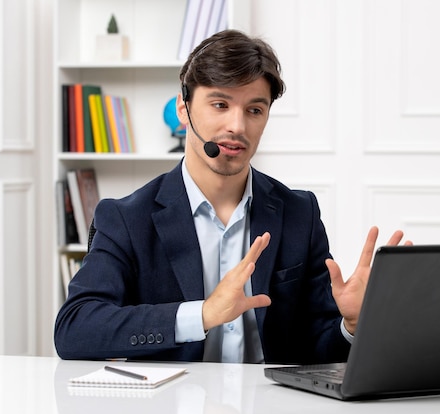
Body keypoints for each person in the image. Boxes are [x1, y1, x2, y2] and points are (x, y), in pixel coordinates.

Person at [54, 30, 410, 364]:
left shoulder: (299, 212)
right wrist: (203, 314)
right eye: (220, 104)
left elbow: (315, 348)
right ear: (184, 109)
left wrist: (351, 325)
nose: (238, 127)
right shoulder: (126, 218)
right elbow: (75, 328)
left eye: (255, 110)